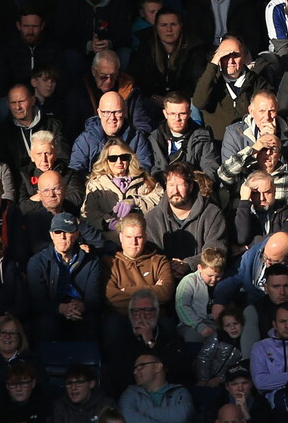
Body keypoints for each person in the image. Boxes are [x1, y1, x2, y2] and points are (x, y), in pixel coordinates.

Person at [26, 211, 101, 343]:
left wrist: (80, 307)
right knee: (46, 323)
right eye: (58, 232)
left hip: (81, 311)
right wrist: (61, 308)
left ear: (77, 234)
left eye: (67, 232)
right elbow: (37, 301)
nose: (63, 237)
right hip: (51, 312)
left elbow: (94, 297)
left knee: (92, 321)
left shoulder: (91, 261)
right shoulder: (37, 262)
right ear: (51, 235)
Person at [81, 138, 161, 240]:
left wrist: (134, 201)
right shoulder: (95, 184)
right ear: (106, 160)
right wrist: (110, 223)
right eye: (113, 158)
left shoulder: (143, 179)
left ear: (130, 159)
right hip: (109, 240)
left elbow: (159, 199)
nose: (119, 161)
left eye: (124, 157)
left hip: (139, 237)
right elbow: (87, 213)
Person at [119, 352, 195, 423]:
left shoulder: (179, 392)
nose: (135, 372)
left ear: (158, 367)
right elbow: (127, 417)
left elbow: (183, 415)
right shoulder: (130, 393)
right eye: (135, 368)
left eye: (140, 366)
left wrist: (146, 412)